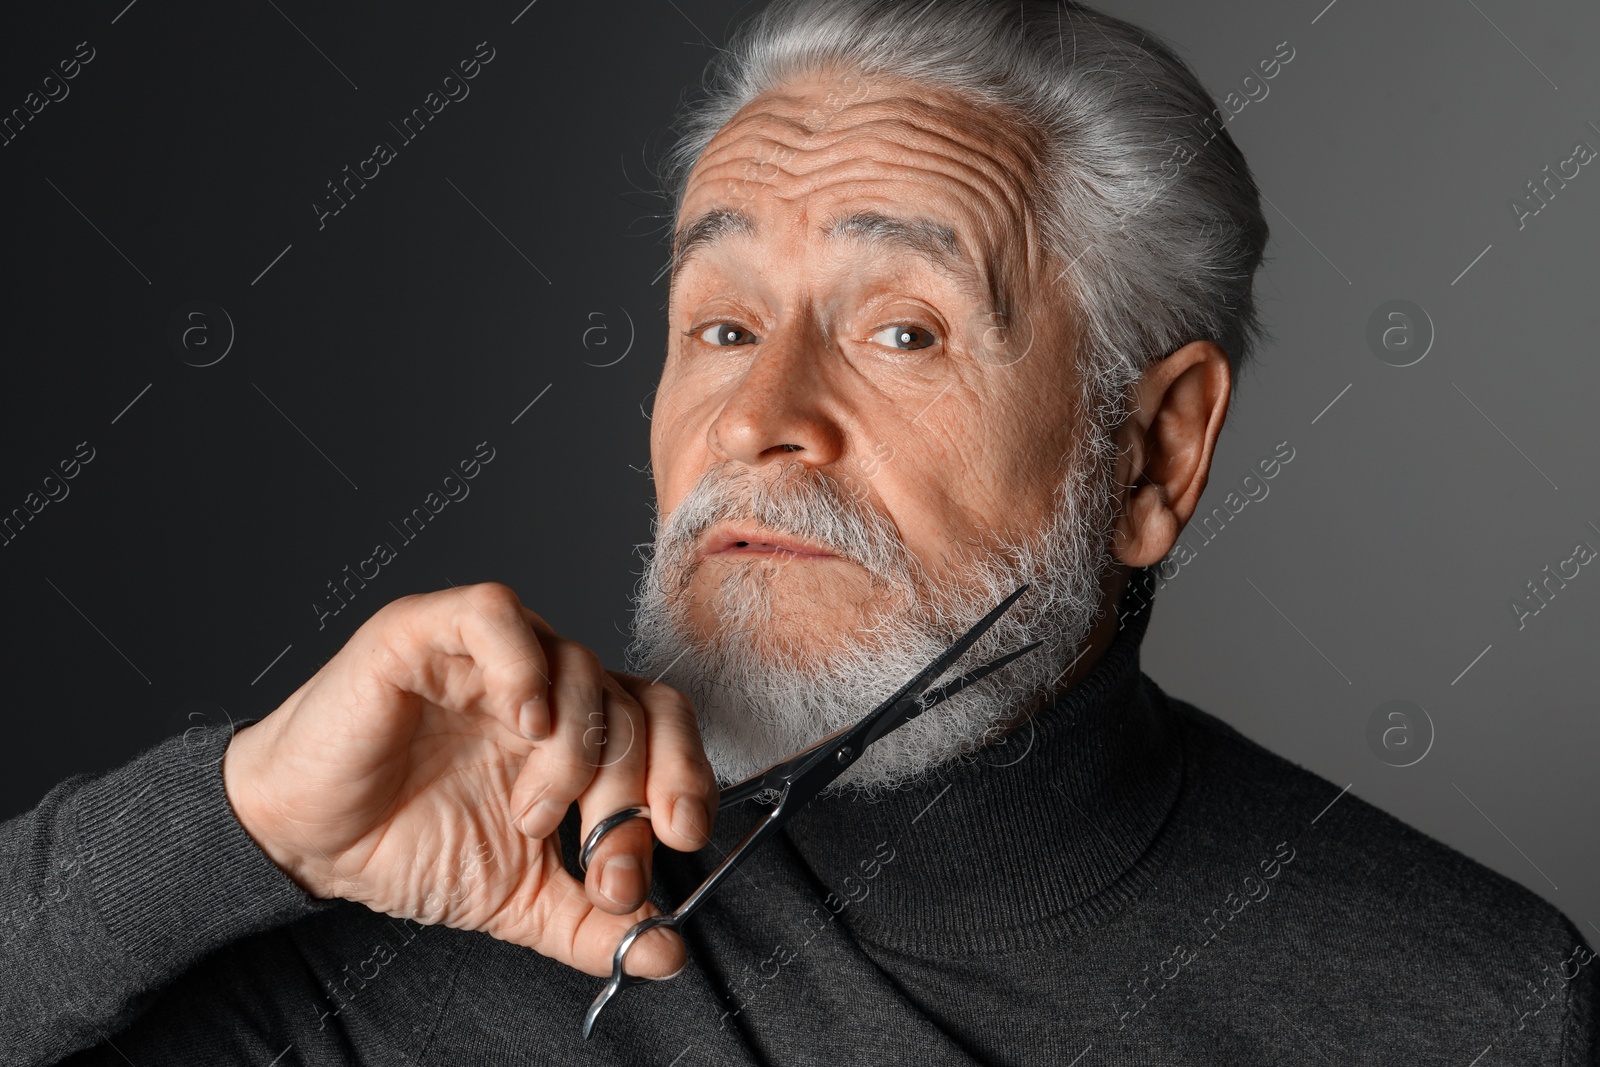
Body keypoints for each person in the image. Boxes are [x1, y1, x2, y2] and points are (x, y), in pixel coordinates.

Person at [4, 1, 1593, 1063]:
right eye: (717, 325)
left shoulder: (1475, 1007)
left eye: (902, 332)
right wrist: (232, 826)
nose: (759, 419)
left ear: (1155, 450)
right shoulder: (430, 895)